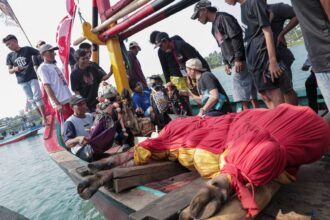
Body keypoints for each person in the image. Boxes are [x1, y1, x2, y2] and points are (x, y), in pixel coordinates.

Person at [77, 104, 330, 219]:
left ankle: (112, 166)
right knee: (167, 142)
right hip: (226, 140)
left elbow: (263, 148)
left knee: (165, 142)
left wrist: (226, 179)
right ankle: (112, 168)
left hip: (225, 142)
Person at [191, 0, 258, 110]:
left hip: (241, 60)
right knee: (249, 92)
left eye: (198, 15)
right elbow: (222, 46)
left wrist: (238, 59)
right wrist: (226, 62)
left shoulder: (223, 18)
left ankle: (249, 119)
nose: (198, 19)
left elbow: (236, 37)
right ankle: (257, 115)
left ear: (204, 10)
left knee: (241, 94)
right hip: (233, 62)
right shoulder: (213, 28)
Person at [224, 0, 285, 109]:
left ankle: (285, 121)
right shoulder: (243, 7)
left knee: (273, 91)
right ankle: (278, 120)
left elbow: (267, 31)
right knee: (264, 95)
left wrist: (272, 60)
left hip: (262, 56)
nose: (224, 1)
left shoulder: (254, 2)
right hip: (253, 59)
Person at [290, 0, 330, 110]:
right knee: (309, 84)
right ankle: (314, 112)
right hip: (317, 58)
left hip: (325, 52)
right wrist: (283, 32)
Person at [3, 34, 48, 125]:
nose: (8, 46)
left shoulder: (27, 49)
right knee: (31, 100)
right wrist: (15, 69)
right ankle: (42, 117)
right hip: (22, 81)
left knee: (37, 97)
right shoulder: (9, 56)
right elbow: (9, 71)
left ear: (15, 41)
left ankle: (44, 118)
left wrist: (44, 59)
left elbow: (39, 53)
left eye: (9, 44)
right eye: (6, 45)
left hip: (32, 77)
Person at [268, 2, 299, 105]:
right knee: (271, 92)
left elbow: (297, 15)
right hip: (265, 59)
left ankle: (295, 116)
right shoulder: (251, 14)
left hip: (280, 55)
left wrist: (282, 33)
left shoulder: (276, 7)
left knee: (287, 89)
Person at [37, 44, 73, 123]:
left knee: (75, 124)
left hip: (69, 100)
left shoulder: (54, 65)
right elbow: (47, 87)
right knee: (69, 128)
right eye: (50, 51)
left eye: (53, 51)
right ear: (43, 54)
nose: (53, 53)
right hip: (61, 102)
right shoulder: (43, 68)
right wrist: (57, 104)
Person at [63, 95, 94, 162]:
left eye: (84, 103)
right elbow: (67, 143)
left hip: (92, 145)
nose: (83, 106)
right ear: (71, 107)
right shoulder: (70, 122)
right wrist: (78, 139)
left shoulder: (90, 116)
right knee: (93, 151)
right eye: (79, 104)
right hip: (81, 150)